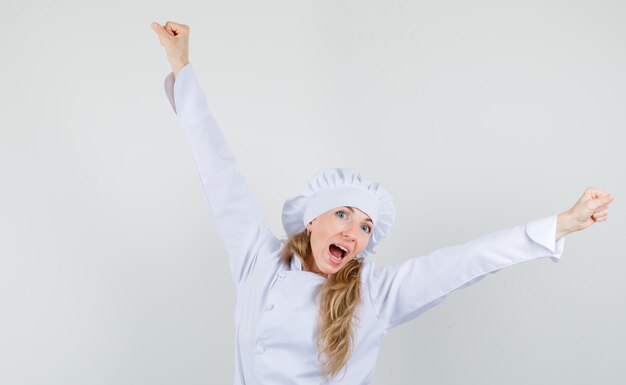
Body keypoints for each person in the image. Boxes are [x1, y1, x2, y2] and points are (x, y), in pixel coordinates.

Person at [150, 21, 614, 385]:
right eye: (344, 214)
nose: (354, 231)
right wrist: (182, 67)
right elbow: (219, 172)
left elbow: (466, 261)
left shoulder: (375, 293)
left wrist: (561, 225)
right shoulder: (259, 261)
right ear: (312, 221)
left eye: (367, 227)